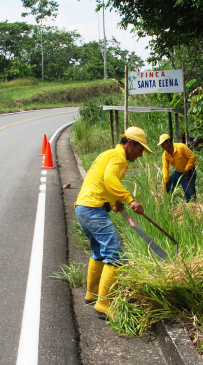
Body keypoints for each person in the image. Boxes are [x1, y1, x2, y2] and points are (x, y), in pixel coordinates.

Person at [75, 126, 153, 320]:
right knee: (116, 253)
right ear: (130, 143)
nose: (141, 155)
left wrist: (115, 200)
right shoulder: (118, 158)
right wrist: (129, 199)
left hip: (83, 208)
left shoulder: (108, 154)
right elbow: (109, 178)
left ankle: (92, 294)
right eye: (140, 149)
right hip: (93, 209)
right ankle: (104, 304)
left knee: (100, 252)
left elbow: (102, 180)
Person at [159, 134, 197, 202]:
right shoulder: (165, 155)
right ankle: (169, 202)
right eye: (161, 145)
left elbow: (192, 157)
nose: (162, 147)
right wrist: (164, 183)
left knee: (189, 193)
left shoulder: (181, 147)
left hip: (189, 171)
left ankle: (192, 205)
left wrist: (186, 169)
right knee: (169, 185)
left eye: (163, 144)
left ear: (168, 142)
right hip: (178, 172)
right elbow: (165, 169)